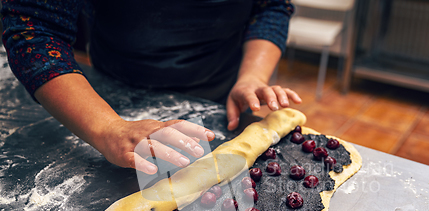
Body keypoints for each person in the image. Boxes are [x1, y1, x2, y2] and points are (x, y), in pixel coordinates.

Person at [1, 0, 302, 175]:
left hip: (221, 92)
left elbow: (270, 6)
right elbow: (33, 28)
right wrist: (107, 128)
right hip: (109, 100)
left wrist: (252, 77)